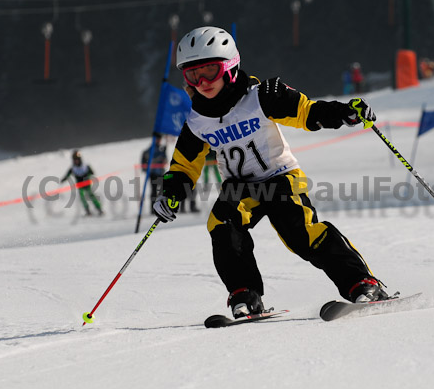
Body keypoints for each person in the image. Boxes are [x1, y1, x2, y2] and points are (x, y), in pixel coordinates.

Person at [152, 26, 390, 319]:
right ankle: (244, 294)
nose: (202, 82)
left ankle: (362, 283)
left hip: (280, 178)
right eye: (192, 75)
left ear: (230, 66)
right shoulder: (197, 120)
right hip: (240, 188)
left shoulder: (261, 96)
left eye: (210, 71)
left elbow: (307, 112)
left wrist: (344, 112)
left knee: (301, 235)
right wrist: (172, 193)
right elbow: (184, 166)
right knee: (222, 225)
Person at [61, 150, 103, 216]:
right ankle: (88, 211)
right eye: (75, 160)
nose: (76, 161)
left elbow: (92, 172)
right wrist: (63, 180)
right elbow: (67, 175)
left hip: (87, 184)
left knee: (91, 196)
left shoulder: (86, 166)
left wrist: (89, 174)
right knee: (82, 197)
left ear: (80, 159)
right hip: (80, 186)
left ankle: (99, 209)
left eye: (77, 159)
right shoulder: (73, 168)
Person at [141, 133, 168, 213]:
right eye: (157, 139)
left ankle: (162, 207)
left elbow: (165, 161)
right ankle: (153, 208)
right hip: (153, 174)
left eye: (159, 139)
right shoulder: (149, 150)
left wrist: (164, 153)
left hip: (160, 173)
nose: (159, 141)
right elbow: (145, 163)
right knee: (154, 191)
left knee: (163, 191)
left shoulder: (161, 150)